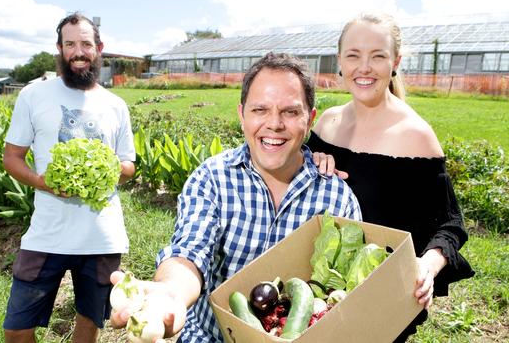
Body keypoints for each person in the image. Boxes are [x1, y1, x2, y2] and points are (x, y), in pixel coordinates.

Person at [110, 52, 362, 343]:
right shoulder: (212, 179)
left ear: (310, 119)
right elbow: (190, 251)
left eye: (291, 112)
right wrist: (172, 293)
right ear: (242, 115)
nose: (274, 124)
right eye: (260, 110)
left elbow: (344, 293)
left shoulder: (336, 198)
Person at [306, 12, 475, 341]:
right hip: (325, 286)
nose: (364, 67)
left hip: (381, 299)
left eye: (377, 56)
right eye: (353, 55)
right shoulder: (328, 123)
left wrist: (428, 265)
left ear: (395, 61)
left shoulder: (415, 136)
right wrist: (310, 159)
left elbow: (450, 225)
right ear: (340, 60)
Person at [2, 12, 136, 343]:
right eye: (70, 44)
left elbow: (128, 165)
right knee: (16, 329)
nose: (78, 51)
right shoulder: (34, 96)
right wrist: (42, 182)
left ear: (99, 48)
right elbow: (12, 157)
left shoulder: (115, 105)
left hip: (101, 237)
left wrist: (108, 171)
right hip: (48, 233)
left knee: (89, 324)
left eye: (86, 44)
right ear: (59, 48)